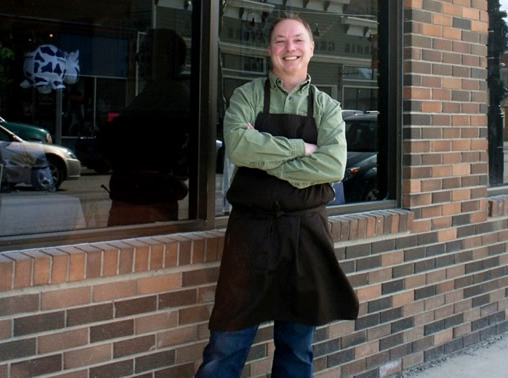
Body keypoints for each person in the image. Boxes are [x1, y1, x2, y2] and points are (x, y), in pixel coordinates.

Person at [196, 14, 358, 377]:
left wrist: (265, 159)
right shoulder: (247, 95)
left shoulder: (327, 107)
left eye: (298, 40)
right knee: (226, 345)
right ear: (270, 49)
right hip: (249, 235)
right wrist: (303, 148)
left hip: (306, 236)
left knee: (297, 350)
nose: (290, 48)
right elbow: (238, 146)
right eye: (281, 41)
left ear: (311, 48)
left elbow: (333, 166)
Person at [99, 28, 190, 226]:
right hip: (146, 197)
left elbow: (113, 138)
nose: (138, 61)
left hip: (143, 201)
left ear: (163, 59)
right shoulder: (168, 94)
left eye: (144, 55)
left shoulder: (165, 95)